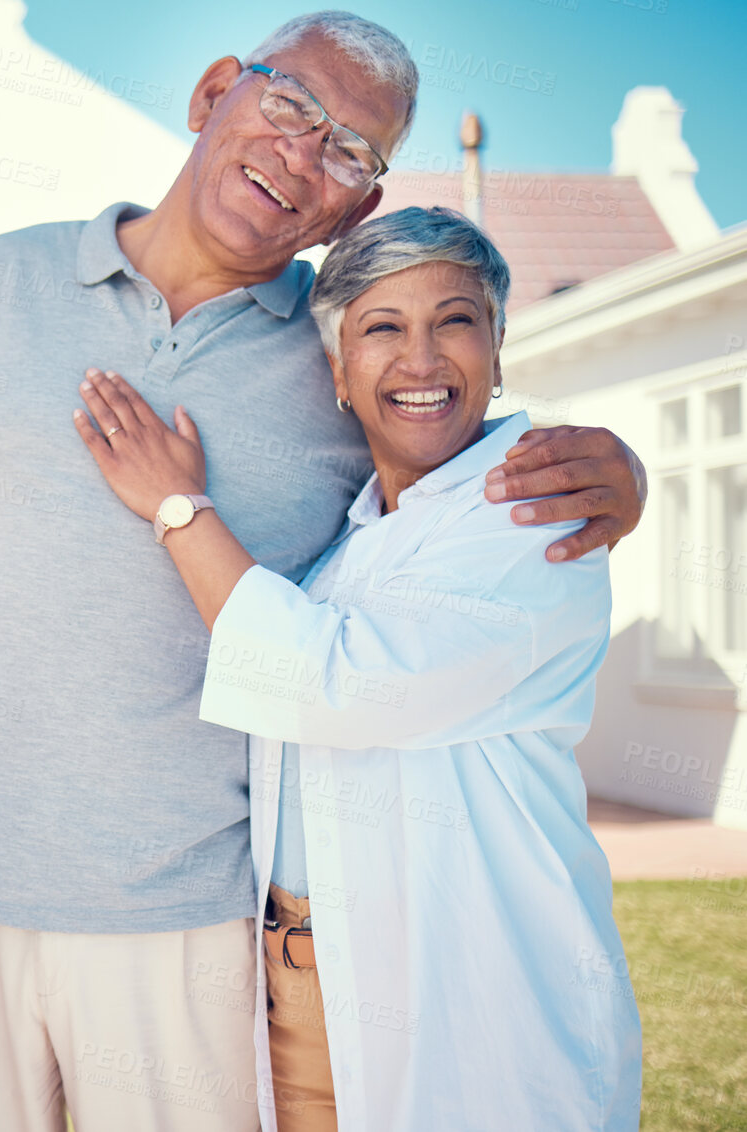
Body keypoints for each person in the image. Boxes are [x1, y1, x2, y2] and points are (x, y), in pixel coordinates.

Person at [0, 11, 646, 1131]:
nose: (302, 155)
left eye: (350, 151)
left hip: (192, 926)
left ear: (358, 204)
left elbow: (458, 476)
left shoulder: (345, 355)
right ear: (211, 93)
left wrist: (621, 474)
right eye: (289, 107)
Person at [74, 205, 640, 1130]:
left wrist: (177, 506)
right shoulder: (357, 540)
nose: (420, 361)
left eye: (454, 321)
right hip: (300, 997)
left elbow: (329, 683)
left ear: (497, 351)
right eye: (382, 329)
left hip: (463, 1002)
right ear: (338, 372)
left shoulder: (537, 517)